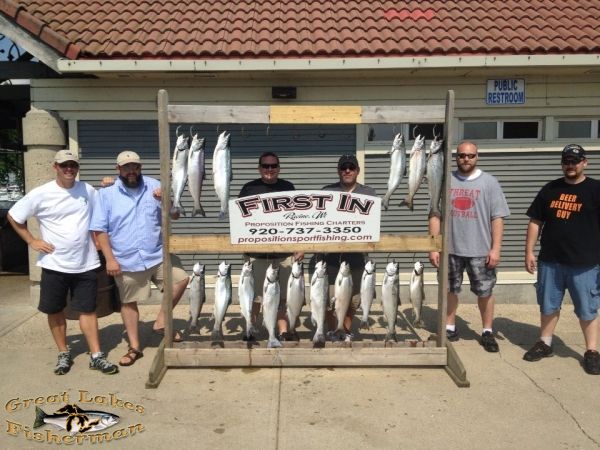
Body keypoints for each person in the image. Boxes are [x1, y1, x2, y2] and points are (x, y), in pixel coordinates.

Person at [7, 150, 118, 375]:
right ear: (55, 167)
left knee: (88, 310)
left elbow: (103, 212)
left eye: (73, 165)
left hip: (86, 263)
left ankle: (96, 355)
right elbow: (14, 216)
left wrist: (109, 185)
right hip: (54, 264)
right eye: (64, 165)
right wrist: (32, 240)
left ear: (77, 168)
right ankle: (63, 353)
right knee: (55, 309)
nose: (69, 169)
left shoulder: (87, 190)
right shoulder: (41, 193)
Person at [90, 150, 189, 367]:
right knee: (129, 302)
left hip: (157, 255)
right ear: (118, 169)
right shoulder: (106, 194)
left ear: (140, 167)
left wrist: (166, 201)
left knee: (180, 279)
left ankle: (161, 322)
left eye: (135, 166)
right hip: (126, 258)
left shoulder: (155, 186)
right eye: (126, 167)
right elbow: (99, 229)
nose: (131, 171)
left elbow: (175, 215)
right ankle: (135, 347)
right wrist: (109, 259)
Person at [524, 144, 600, 375]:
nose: (570, 165)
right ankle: (545, 343)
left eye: (574, 161)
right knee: (548, 306)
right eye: (566, 161)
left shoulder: (596, 189)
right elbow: (535, 221)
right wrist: (529, 251)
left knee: (587, 309)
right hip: (551, 261)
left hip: (585, 264)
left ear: (584, 163)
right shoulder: (550, 189)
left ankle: (592, 351)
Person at [429, 140, 510, 352]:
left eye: (470, 155)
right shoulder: (444, 181)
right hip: (450, 249)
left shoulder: (490, 183)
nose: (466, 159)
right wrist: (433, 245)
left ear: (477, 157)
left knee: (485, 292)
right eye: (462, 155)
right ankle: (449, 327)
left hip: (480, 250)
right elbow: (435, 213)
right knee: (449, 290)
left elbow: (498, 217)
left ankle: (487, 331)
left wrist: (496, 248)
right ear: (456, 157)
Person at [238, 152, 303, 341]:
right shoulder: (248, 188)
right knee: (254, 296)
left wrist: (300, 245)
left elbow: (299, 219)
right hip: (256, 253)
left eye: (273, 166)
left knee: (283, 296)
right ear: (259, 168)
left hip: (284, 253)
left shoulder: (288, 187)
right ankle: (250, 328)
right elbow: (239, 218)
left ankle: (283, 330)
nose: (269, 169)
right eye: (266, 166)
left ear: (279, 168)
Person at [318, 154, 377, 343]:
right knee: (329, 299)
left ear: (358, 170)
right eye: (344, 168)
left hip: (357, 256)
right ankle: (332, 330)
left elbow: (372, 223)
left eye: (351, 167)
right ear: (338, 171)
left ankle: (346, 330)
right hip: (330, 256)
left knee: (353, 299)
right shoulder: (327, 191)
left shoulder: (369, 193)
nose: (347, 171)